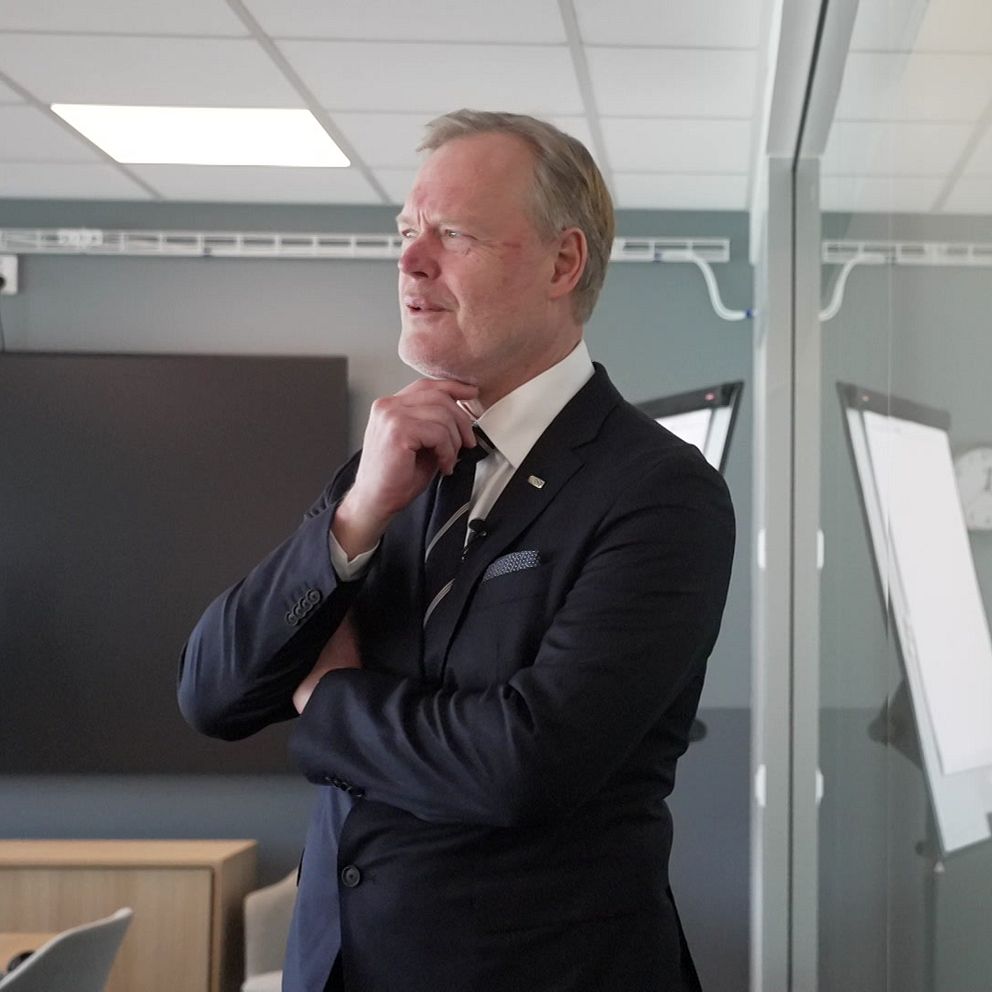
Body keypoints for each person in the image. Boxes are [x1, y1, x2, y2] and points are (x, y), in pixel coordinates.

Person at [178, 109, 735, 992]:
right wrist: (356, 516)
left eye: (453, 234)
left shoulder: (661, 492)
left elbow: (521, 765)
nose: (410, 260)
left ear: (563, 263)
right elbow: (213, 693)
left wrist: (329, 699)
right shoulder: (386, 464)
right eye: (406, 231)